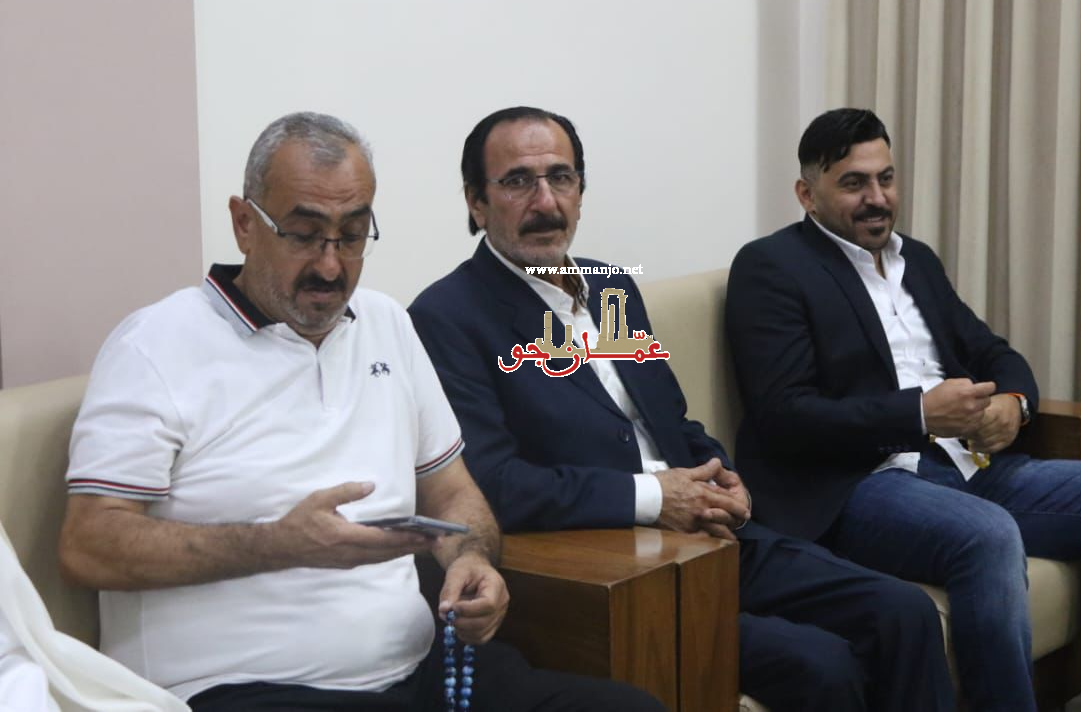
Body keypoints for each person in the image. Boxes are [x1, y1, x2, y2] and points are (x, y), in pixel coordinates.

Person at [58, 112, 661, 712]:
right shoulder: (156, 344)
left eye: (351, 235)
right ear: (244, 224)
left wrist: (472, 561)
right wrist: (276, 544)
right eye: (303, 234)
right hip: (241, 689)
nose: (330, 265)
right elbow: (88, 545)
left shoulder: (386, 323)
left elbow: (454, 494)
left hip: (423, 672)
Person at [407, 106, 956, 712]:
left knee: (904, 612)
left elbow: (671, 421)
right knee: (821, 663)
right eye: (518, 181)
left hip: (707, 533)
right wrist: (656, 497)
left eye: (561, 178)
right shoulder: (447, 316)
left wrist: (722, 478)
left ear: (581, 192)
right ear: (476, 202)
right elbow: (495, 483)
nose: (546, 201)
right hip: (610, 566)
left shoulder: (610, 287)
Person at [723, 107, 1081, 711]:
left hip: (969, 465)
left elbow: (992, 352)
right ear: (808, 194)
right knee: (987, 534)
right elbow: (784, 414)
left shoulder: (917, 261)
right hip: (860, 484)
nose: (876, 198)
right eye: (854, 183)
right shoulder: (771, 267)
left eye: (885, 178)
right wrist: (917, 415)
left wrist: (1016, 403)